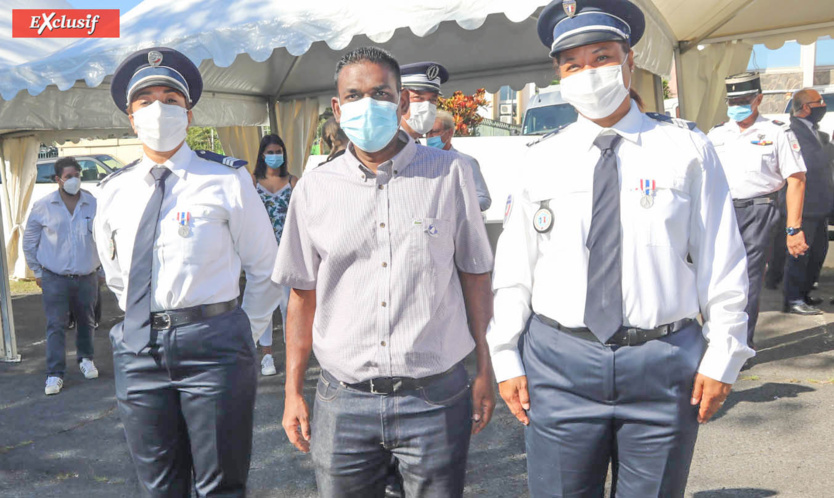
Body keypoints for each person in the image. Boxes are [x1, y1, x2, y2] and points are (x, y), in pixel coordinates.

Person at [487, 1, 754, 496]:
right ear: (558, 75)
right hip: (559, 362)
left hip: (663, 362)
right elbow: (514, 271)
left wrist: (725, 354)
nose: (587, 73)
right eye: (573, 64)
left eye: (601, 57)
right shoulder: (540, 159)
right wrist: (504, 357)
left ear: (629, 60)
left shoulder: (686, 149)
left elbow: (722, 259)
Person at [275, 46, 495, 497]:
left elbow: (475, 276)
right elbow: (302, 295)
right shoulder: (314, 189)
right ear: (337, 108)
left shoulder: (450, 174)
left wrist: (485, 369)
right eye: (353, 96)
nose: (367, 105)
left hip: (434, 398)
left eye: (380, 93)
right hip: (344, 400)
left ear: (401, 103)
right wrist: (292, 390)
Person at [95, 47, 280, 496]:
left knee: (220, 485)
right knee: (158, 485)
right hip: (140, 350)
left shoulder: (226, 179)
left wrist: (243, 332)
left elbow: (267, 268)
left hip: (215, 345)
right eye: (146, 101)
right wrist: (142, 320)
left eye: (171, 99)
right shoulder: (112, 190)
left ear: (189, 114)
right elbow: (117, 274)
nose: (159, 108)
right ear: (131, 118)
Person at [707, 72, 808, 339]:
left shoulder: (777, 132)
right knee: (715, 276)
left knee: (747, 279)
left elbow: (796, 180)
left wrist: (793, 228)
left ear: (759, 99)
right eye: (732, 101)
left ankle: (740, 344)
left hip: (759, 211)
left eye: (743, 100)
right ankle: (716, 338)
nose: (736, 106)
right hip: (721, 211)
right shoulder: (716, 133)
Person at [23, 156, 100, 395]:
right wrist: (37, 271)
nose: (74, 180)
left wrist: (103, 269)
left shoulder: (92, 203)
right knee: (55, 325)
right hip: (55, 277)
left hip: (87, 276)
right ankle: (55, 374)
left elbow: (104, 238)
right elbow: (29, 242)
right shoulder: (44, 206)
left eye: (77, 175)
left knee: (86, 321)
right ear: (57, 179)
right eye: (68, 177)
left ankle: (86, 359)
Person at [784, 89, 833, 314]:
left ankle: (803, 294)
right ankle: (793, 299)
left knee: (817, 253)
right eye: (818, 102)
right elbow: (812, 163)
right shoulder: (793, 131)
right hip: (806, 205)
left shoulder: (813, 130)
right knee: (800, 255)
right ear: (805, 107)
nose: (822, 106)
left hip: (820, 205)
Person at [253, 133, 297, 376]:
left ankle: (293, 356)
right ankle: (266, 356)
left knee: (289, 307)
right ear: (262, 155)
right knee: (264, 306)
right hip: (261, 254)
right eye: (269, 152)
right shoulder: (252, 182)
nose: (274, 156)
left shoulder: (294, 182)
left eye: (278, 151)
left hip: (288, 253)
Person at [426, 109, 492, 211]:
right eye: (427, 133)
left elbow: (483, 199)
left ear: (449, 133)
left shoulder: (465, 162)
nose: (429, 137)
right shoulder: (423, 163)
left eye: (434, 132)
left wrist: (456, 209)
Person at [399, 61, 449, 141]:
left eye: (433, 99)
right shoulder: (383, 147)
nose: (427, 106)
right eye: (418, 97)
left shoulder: (414, 143)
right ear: (401, 100)